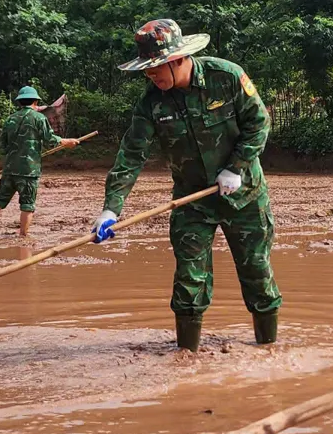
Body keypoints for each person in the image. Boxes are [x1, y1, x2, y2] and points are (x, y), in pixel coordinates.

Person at [94, 18, 280, 352]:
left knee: (257, 275)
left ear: (179, 58)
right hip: (192, 202)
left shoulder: (226, 77)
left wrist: (236, 167)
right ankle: (186, 358)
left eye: (157, 69)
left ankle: (268, 350)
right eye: (147, 71)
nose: (152, 76)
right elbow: (131, 155)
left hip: (245, 195)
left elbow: (259, 123)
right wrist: (111, 209)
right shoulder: (151, 104)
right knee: (189, 282)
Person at [0, 85, 79, 240]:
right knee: (27, 204)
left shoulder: (10, 119)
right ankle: (23, 235)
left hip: (9, 168)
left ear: (20, 102)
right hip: (29, 170)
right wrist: (66, 142)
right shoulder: (39, 118)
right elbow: (50, 138)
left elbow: (4, 146)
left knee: (0, 199)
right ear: (35, 101)